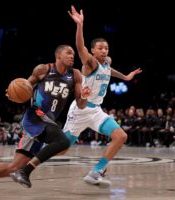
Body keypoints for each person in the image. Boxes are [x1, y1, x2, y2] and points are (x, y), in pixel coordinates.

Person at [0, 44, 91, 196]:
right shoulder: (43, 69)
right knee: (63, 142)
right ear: (58, 55)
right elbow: (24, 88)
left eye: (73, 54)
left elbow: (81, 104)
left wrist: (85, 96)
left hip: (47, 121)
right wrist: (14, 93)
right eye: (69, 53)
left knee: (13, 168)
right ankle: (26, 172)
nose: (72, 56)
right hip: (34, 118)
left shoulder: (75, 75)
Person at [62, 5, 142, 187]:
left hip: (96, 110)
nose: (104, 51)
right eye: (100, 48)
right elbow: (79, 46)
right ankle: (35, 148)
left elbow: (109, 70)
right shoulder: (89, 62)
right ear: (93, 51)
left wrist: (126, 76)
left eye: (106, 48)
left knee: (121, 136)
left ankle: (95, 171)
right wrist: (80, 25)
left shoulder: (107, 62)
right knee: (61, 150)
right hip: (81, 109)